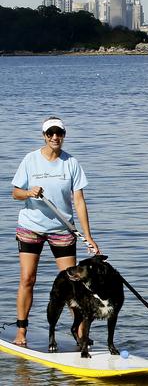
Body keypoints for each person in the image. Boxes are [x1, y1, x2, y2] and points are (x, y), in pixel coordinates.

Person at [11, 117, 100, 346]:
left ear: (64, 135)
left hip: (62, 229)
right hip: (31, 227)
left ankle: (81, 333)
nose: (54, 137)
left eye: (58, 133)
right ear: (44, 136)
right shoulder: (30, 160)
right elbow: (15, 193)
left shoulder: (71, 163)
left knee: (74, 283)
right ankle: (21, 332)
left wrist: (88, 236)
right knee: (28, 278)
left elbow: (79, 201)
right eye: (50, 133)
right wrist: (29, 192)